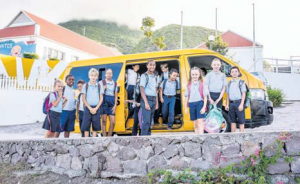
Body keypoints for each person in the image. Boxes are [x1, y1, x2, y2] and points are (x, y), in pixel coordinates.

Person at [185, 67, 209, 134]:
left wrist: (204, 107)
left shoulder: (202, 84)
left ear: (199, 75)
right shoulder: (189, 85)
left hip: (199, 104)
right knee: (195, 124)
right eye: (193, 74)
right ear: (190, 75)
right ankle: (197, 138)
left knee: (200, 123)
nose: (194, 76)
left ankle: (201, 138)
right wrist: (185, 108)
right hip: (191, 104)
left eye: (196, 74)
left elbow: (205, 97)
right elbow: (186, 97)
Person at [81, 68, 103, 137]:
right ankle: (86, 141)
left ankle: (94, 142)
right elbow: (84, 99)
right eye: (92, 75)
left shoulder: (99, 86)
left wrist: (96, 108)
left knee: (95, 127)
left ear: (97, 77)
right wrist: (90, 108)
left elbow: (101, 99)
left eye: (95, 75)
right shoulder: (85, 86)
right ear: (89, 76)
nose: (93, 77)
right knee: (86, 127)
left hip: (96, 108)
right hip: (88, 108)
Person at [140, 60, 159, 136]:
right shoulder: (144, 76)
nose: (152, 66)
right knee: (146, 121)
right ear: (147, 66)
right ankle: (143, 140)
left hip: (153, 99)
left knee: (150, 121)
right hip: (147, 99)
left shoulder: (155, 76)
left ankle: (148, 139)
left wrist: (157, 102)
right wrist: (146, 102)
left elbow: (155, 90)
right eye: (150, 65)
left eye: (153, 65)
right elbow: (142, 89)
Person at [225, 66, 246, 133]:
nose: (234, 73)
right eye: (232, 72)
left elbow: (243, 94)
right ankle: (233, 137)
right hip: (231, 104)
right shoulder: (229, 83)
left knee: (241, 121)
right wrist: (227, 105)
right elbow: (227, 95)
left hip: (239, 103)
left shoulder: (241, 82)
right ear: (230, 73)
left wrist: (241, 104)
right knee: (232, 122)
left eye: (236, 71)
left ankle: (241, 136)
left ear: (238, 73)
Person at [99, 68, 118, 137]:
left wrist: (115, 105)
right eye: (107, 73)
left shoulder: (115, 83)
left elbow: (116, 95)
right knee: (104, 121)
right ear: (105, 74)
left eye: (110, 73)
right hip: (104, 101)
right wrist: (103, 89)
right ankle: (104, 137)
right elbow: (98, 93)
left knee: (113, 122)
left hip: (112, 101)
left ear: (112, 74)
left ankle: (109, 137)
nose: (109, 74)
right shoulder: (101, 82)